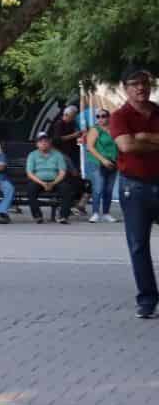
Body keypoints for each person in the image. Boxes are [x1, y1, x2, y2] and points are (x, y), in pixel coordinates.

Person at [109, 67, 159, 317]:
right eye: (134, 83)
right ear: (125, 88)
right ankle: (148, 300)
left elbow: (134, 141)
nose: (141, 87)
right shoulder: (120, 116)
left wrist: (144, 135)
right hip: (134, 187)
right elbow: (126, 146)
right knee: (139, 245)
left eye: (144, 83)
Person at [24, 131, 73, 224]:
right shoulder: (32, 155)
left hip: (55, 180)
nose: (43, 143)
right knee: (30, 189)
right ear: (37, 144)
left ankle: (63, 216)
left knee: (66, 189)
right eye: (41, 141)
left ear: (49, 142)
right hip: (39, 181)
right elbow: (29, 173)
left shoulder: (58, 155)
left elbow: (62, 172)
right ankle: (37, 216)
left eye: (45, 141)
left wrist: (53, 183)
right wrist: (42, 183)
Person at [84, 107, 120, 223]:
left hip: (113, 161)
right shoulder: (95, 130)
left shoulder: (114, 129)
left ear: (109, 117)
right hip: (97, 162)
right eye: (98, 116)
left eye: (103, 116)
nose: (100, 118)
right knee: (98, 188)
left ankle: (106, 213)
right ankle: (95, 213)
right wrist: (103, 160)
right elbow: (90, 147)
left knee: (108, 189)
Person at [50, 103, 87, 214]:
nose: (73, 118)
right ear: (67, 115)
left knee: (74, 180)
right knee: (69, 178)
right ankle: (65, 206)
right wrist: (73, 136)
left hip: (72, 154)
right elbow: (56, 140)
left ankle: (72, 205)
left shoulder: (73, 123)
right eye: (73, 116)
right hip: (62, 155)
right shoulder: (59, 124)